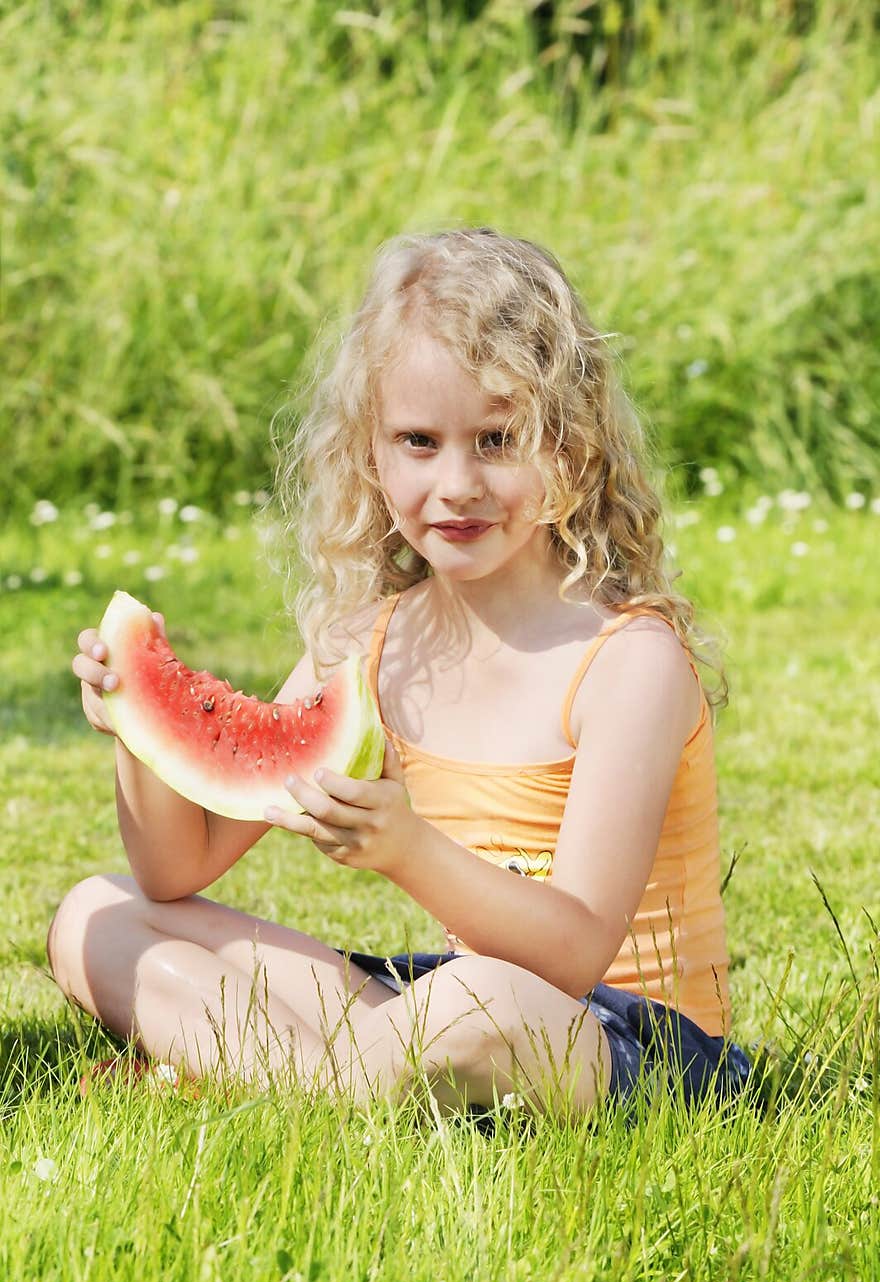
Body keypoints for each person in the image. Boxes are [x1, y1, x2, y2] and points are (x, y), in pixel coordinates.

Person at [50, 227, 751, 1118]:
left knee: (467, 1008)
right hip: (448, 1001)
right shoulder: (370, 645)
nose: (455, 484)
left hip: (635, 1046)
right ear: (370, 456)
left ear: (568, 452)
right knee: (98, 917)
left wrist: (408, 851)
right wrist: (140, 730)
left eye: (496, 440)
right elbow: (173, 871)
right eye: (419, 441)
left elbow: (574, 951)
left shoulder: (628, 661)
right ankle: (349, 1084)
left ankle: (270, 1079)